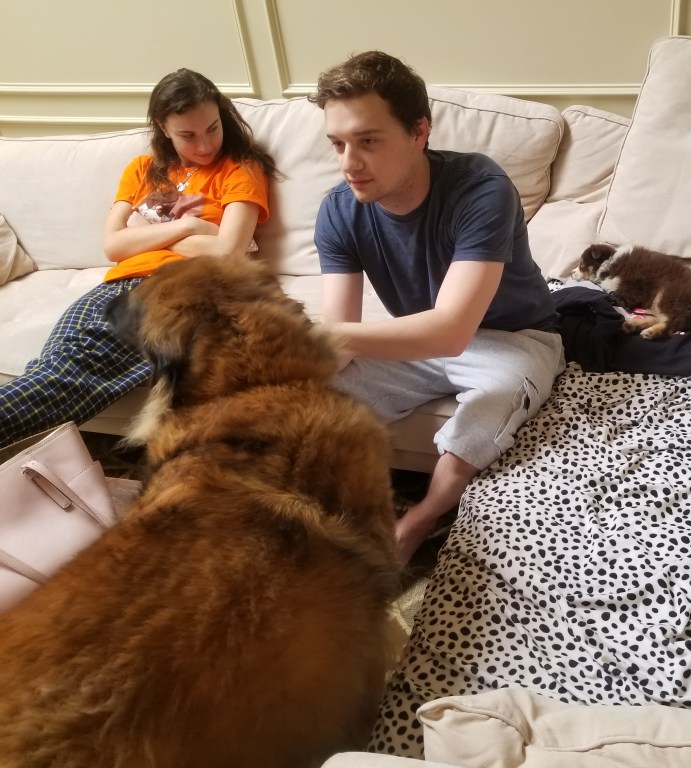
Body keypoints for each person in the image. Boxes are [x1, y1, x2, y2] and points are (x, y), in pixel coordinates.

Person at [309, 51, 565, 566]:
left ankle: (419, 521)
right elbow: (341, 334)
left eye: (368, 141)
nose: (349, 163)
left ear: (419, 130)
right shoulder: (339, 209)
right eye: (337, 144)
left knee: (488, 403)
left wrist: (330, 338)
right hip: (412, 339)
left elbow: (450, 330)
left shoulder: (482, 188)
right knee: (308, 401)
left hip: (514, 338)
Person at [0, 69, 278, 449]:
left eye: (212, 128)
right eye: (188, 135)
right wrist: (190, 227)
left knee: (70, 375)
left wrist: (143, 232)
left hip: (182, 289)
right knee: (56, 370)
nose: (205, 144)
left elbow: (229, 251)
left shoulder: (241, 168)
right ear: (164, 128)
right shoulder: (143, 170)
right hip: (113, 287)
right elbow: (114, 246)